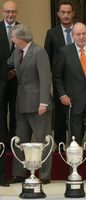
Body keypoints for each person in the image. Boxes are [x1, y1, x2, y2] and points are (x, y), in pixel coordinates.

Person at [53, 22, 86, 183]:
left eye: (84, 33)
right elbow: (57, 76)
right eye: (78, 34)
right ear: (73, 35)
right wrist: (62, 95)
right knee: (75, 139)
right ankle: (74, 171)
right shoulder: (64, 52)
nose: (81, 36)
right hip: (73, 102)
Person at [8, 24, 53, 184]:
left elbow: (45, 78)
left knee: (43, 139)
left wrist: (43, 102)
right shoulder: (16, 52)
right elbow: (9, 66)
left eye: (13, 37)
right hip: (21, 103)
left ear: (21, 38)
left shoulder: (39, 51)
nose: (12, 39)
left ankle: (45, 175)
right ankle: (19, 173)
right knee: (20, 139)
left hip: (38, 104)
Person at [44, 0, 75, 148]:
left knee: (77, 112)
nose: (66, 15)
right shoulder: (52, 33)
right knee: (60, 114)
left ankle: (76, 143)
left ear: (73, 13)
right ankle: (61, 144)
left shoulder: (81, 31)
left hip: (79, 79)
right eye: (63, 12)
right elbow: (47, 57)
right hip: (59, 80)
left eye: (69, 12)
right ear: (58, 14)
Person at [0, 0, 19, 187]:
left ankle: (13, 153)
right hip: (0, 82)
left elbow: (26, 53)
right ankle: (3, 147)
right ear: (2, 11)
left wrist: (14, 71)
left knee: (16, 119)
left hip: (17, 82)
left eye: (13, 11)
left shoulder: (23, 28)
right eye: (7, 11)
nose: (10, 15)